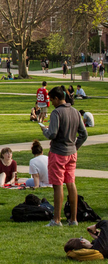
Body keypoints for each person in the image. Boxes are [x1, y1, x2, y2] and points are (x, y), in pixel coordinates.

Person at [40, 86, 88, 227]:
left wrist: (45, 131)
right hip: (72, 153)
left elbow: (53, 133)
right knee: (71, 183)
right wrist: (75, 146)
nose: (52, 103)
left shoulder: (57, 113)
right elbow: (84, 134)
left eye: (52, 99)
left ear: (56, 98)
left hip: (58, 152)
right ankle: (73, 219)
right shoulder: (75, 112)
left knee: (58, 185)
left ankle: (56, 220)